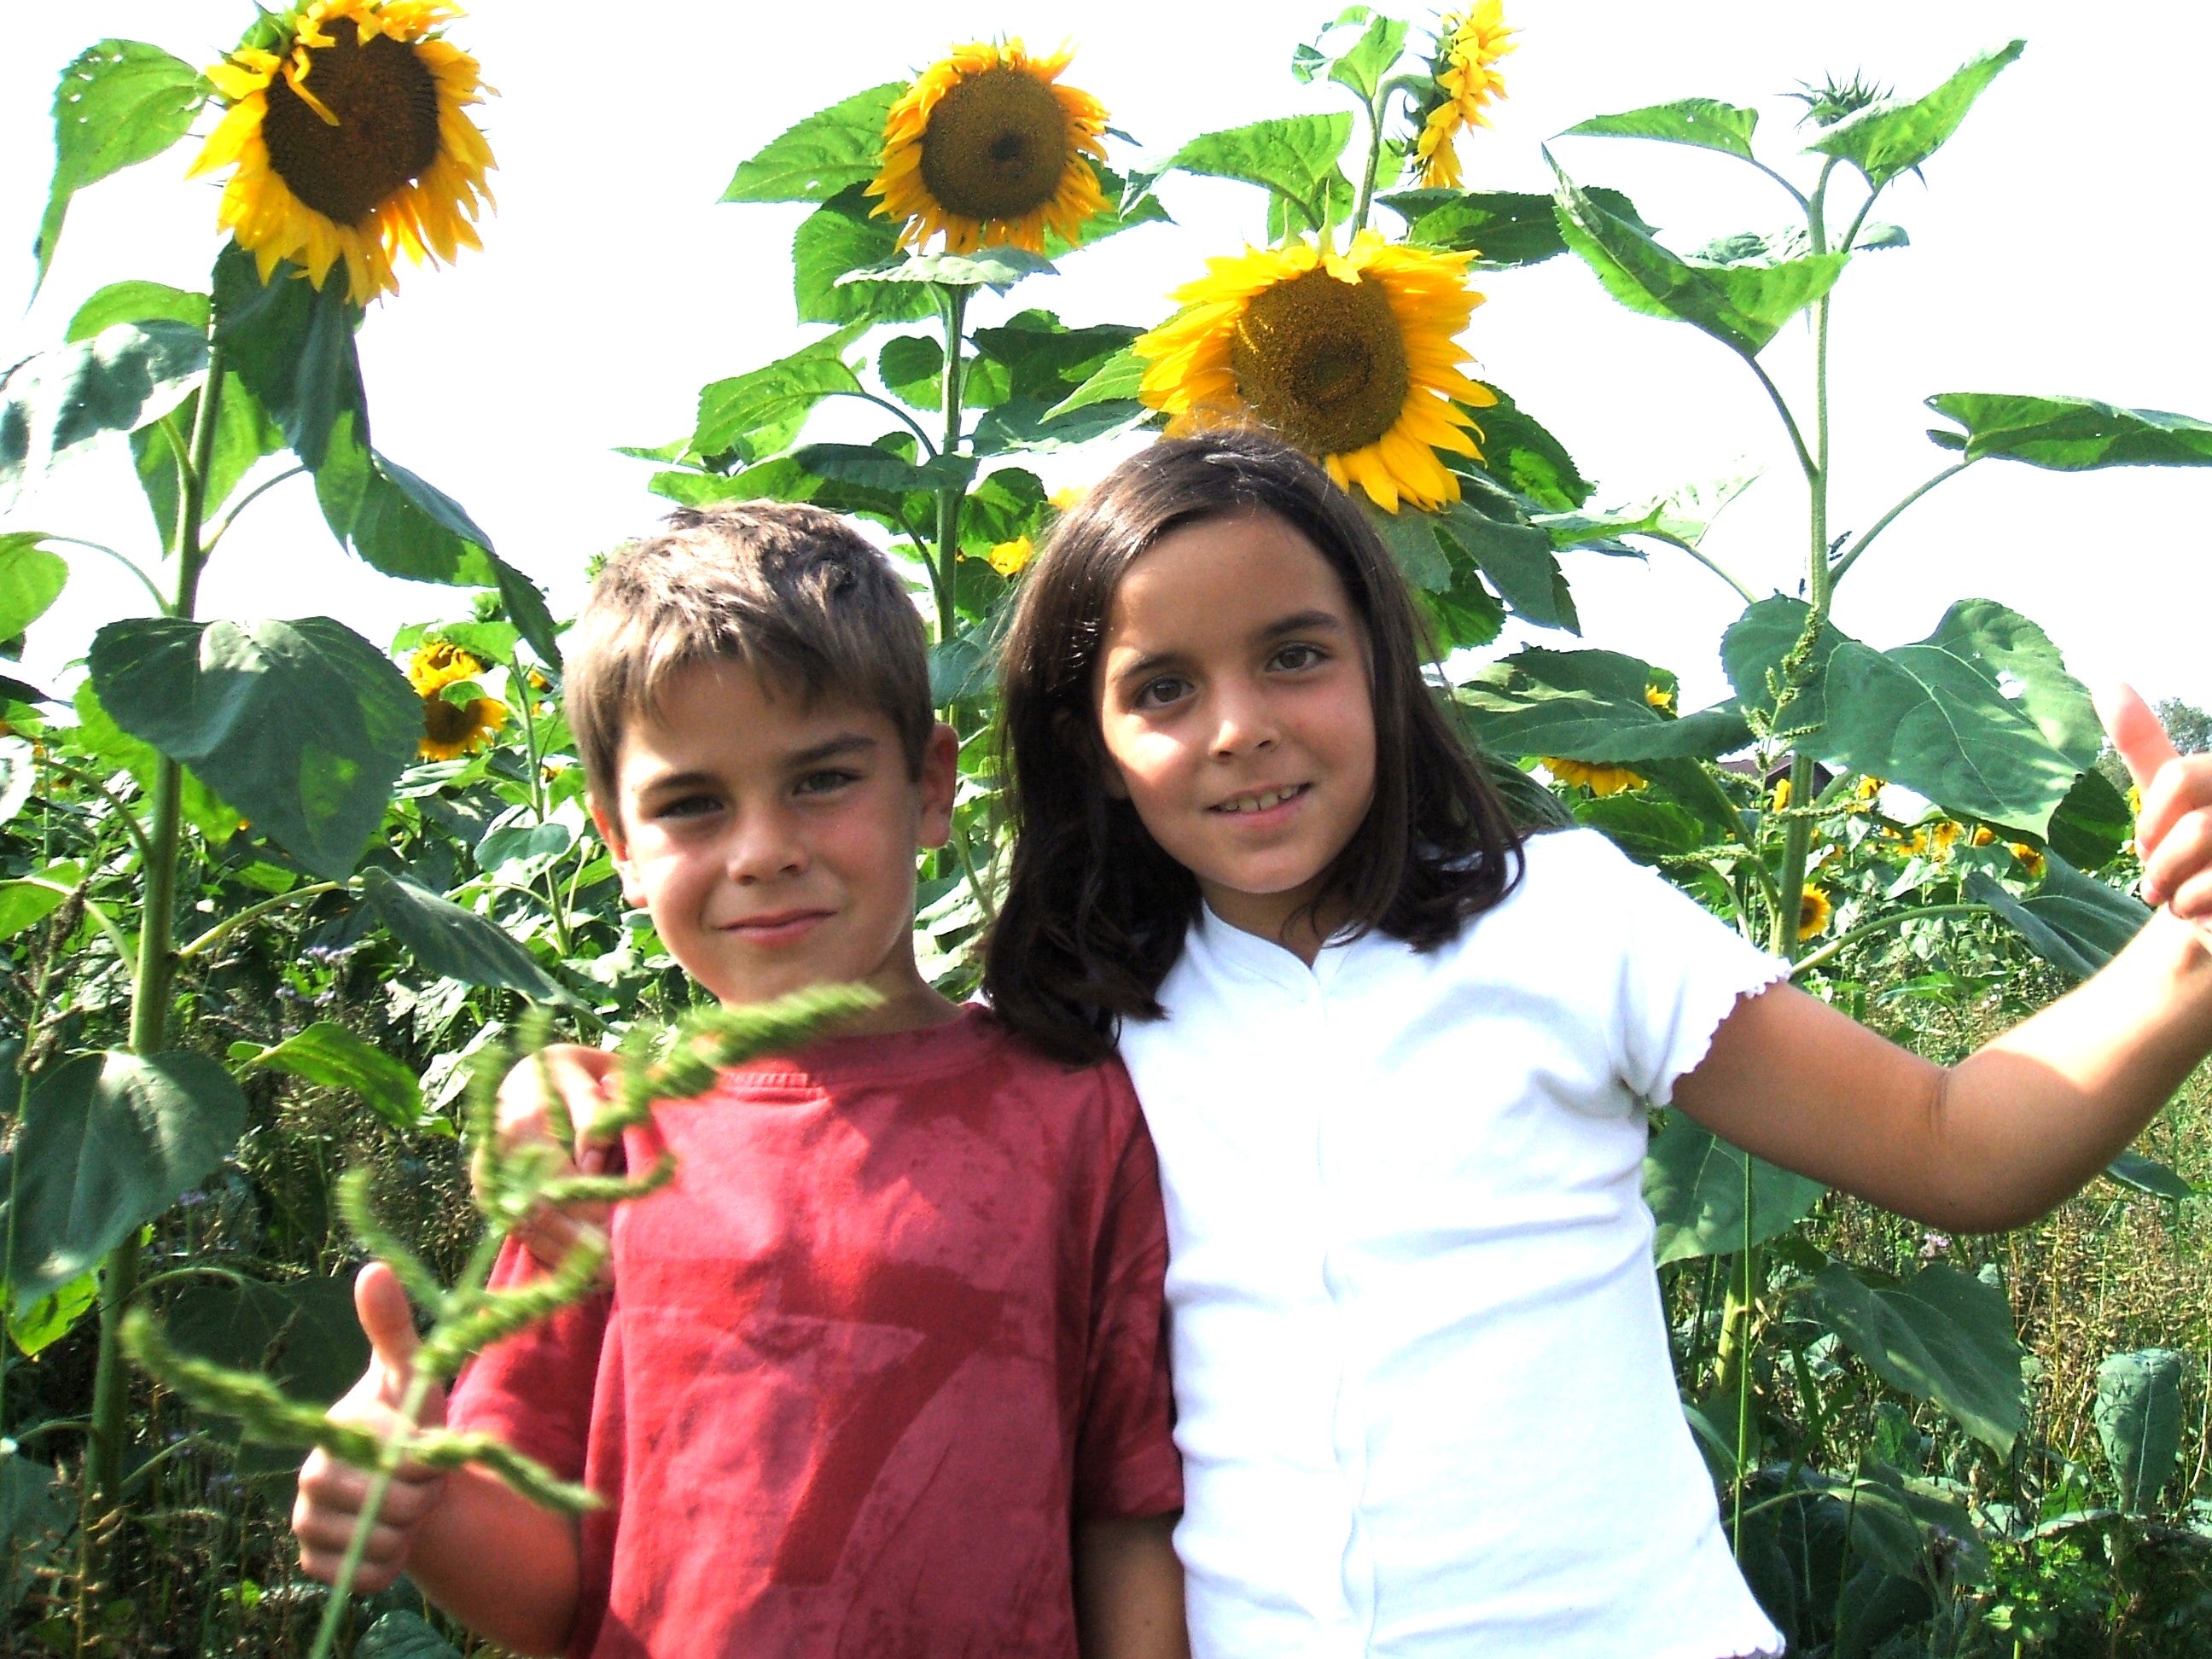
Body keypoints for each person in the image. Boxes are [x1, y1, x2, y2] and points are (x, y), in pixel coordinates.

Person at [974, 428, 2212, 1658]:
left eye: (1295, 656)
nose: (1240, 726)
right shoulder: (1090, 1027)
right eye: (1163, 689)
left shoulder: (1563, 922)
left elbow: (1959, 1147)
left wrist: (2191, 956)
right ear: (1089, 737)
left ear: (1383, 669)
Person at [288, 501, 1188, 1659]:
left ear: (929, 787)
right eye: (693, 805)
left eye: (820, 780)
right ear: (617, 841)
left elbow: (1127, 1512)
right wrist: (416, 1502)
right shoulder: (596, 1150)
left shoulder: (1073, 1114)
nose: (763, 849)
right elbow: (555, 1594)